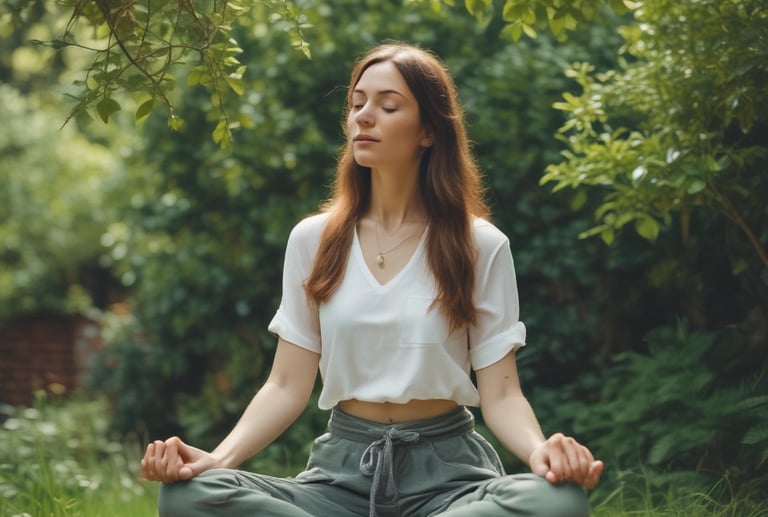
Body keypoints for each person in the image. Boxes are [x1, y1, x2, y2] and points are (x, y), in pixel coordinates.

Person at [141, 42, 604, 517]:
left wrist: (538, 452)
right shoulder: (313, 239)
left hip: (451, 482)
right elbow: (285, 384)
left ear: (428, 130)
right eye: (356, 103)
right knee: (187, 494)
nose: (364, 117)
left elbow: (502, 392)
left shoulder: (480, 244)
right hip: (338, 479)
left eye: (387, 106)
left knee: (558, 501)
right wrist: (218, 460)